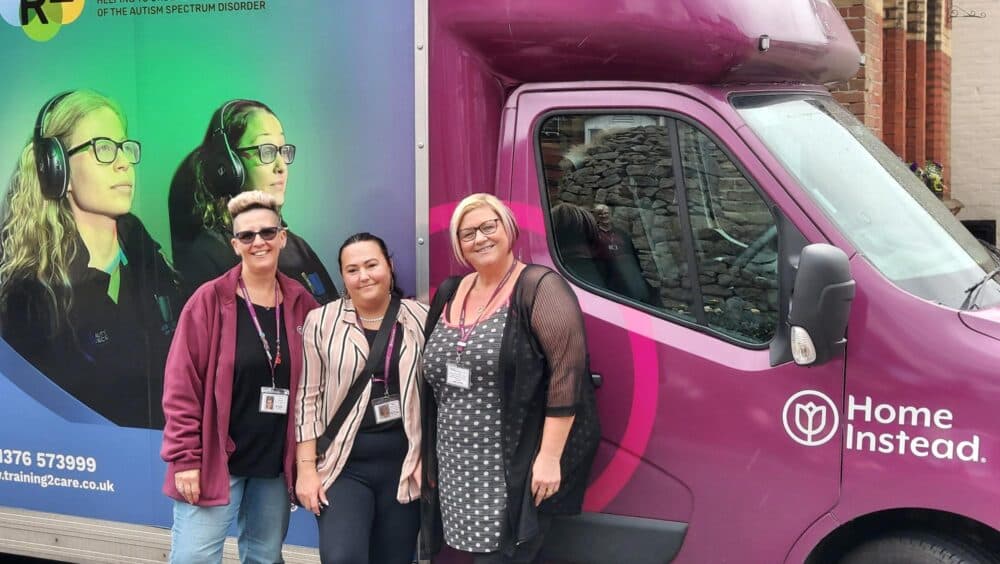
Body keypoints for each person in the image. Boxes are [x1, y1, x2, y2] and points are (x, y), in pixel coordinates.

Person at [421, 193, 600, 563]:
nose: (481, 238)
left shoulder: (538, 287)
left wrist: (549, 458)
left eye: (490, 226)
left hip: (511, 466)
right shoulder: (451, 291)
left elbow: (568, 373)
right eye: (468, 233)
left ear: (509, 230)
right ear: (458, 244)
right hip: (458, 465)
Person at [0, 90, 180, 429]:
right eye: (103, 148)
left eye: (125, 146)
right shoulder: (31, 297)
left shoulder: (148, 260)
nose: (124, 161)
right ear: (57, 168)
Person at [160, 191, 319, 563]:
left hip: (272, 466)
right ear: (235, 245)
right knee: (193, 558)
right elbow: (182, 387)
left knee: (264, 557)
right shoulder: (209, 300)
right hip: (216, 462)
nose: (258, 242)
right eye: (247, 236)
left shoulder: (302, 304)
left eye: (267, 232)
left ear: (282, 237)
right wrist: (185, 459)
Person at [295, 232, 426, 564]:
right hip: (344, 466)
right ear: (342, 276)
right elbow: (307, 400)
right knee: (342, 557)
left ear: (389, 266)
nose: (363, 275)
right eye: (352, 269)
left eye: (372, 265)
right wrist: (307, 470)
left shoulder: (419, 318)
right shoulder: (321, 321)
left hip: (404, 467)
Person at [168, 99, 338, 304]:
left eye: (283, 151)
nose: (281, 165)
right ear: (231, 167)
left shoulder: (297, 247)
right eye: (266, 151)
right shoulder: (209, 256)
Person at [591, 204, 660, 306]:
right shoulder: (593, 234)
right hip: (606, 275)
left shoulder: (621, 234)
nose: (604, 216)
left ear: (610, 214)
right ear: (596, 217)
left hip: (625, 273)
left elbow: (632, 252)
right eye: (600, 214)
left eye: (606, 213)